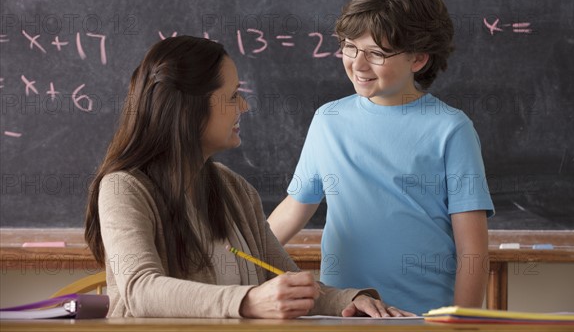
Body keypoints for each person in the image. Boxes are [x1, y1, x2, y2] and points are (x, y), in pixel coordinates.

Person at [84, 36, 414, 319]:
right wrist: (248, 301)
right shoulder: (122, 187)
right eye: (231, 97)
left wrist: (350, 300)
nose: (243, 106)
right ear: (188, 110)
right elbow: (139, 291)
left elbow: (288, 281)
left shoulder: (234, 188)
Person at [267, 0, 495, 314]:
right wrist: (227, 255)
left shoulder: (451, 129)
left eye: (376, 53)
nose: (358, 64)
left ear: (418, 58)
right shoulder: (328, 120)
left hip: (423, 317)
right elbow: (294, 208)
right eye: (349, 47)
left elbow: (473, 250)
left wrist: (461, 322)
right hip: (344, 312)